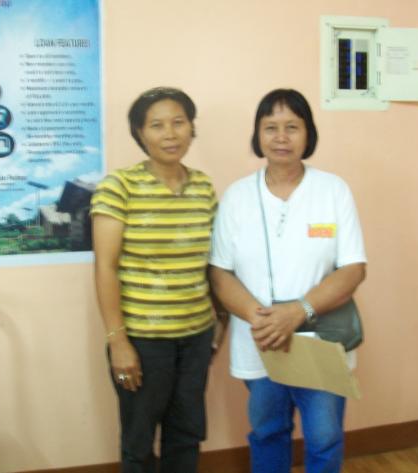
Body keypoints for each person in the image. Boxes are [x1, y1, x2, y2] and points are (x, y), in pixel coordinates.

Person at [209, 89, 367, 473]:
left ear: (308, 134)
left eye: (292, 127)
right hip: (261, 339)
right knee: (268, 432)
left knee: (324, 436)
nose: (281, 137)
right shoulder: (237, 196)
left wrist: (298, 312)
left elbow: (353, 269)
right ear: (258, 134)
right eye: (271, 127)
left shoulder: (332, 190)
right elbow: (220, 272)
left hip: (319, 337)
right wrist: (262, 319)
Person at [90, 87, 226, 473]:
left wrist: (221, 320)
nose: (170, 134)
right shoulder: (119, 186)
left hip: (196, 336)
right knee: (139, 441)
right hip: (142, 340)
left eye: (179, 122)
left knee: (186, 435)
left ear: (191, 128)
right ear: (140, 133)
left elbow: (213, 263)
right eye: (157, 125)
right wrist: (118, 341)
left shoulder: (203, 187)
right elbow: (105, 267)